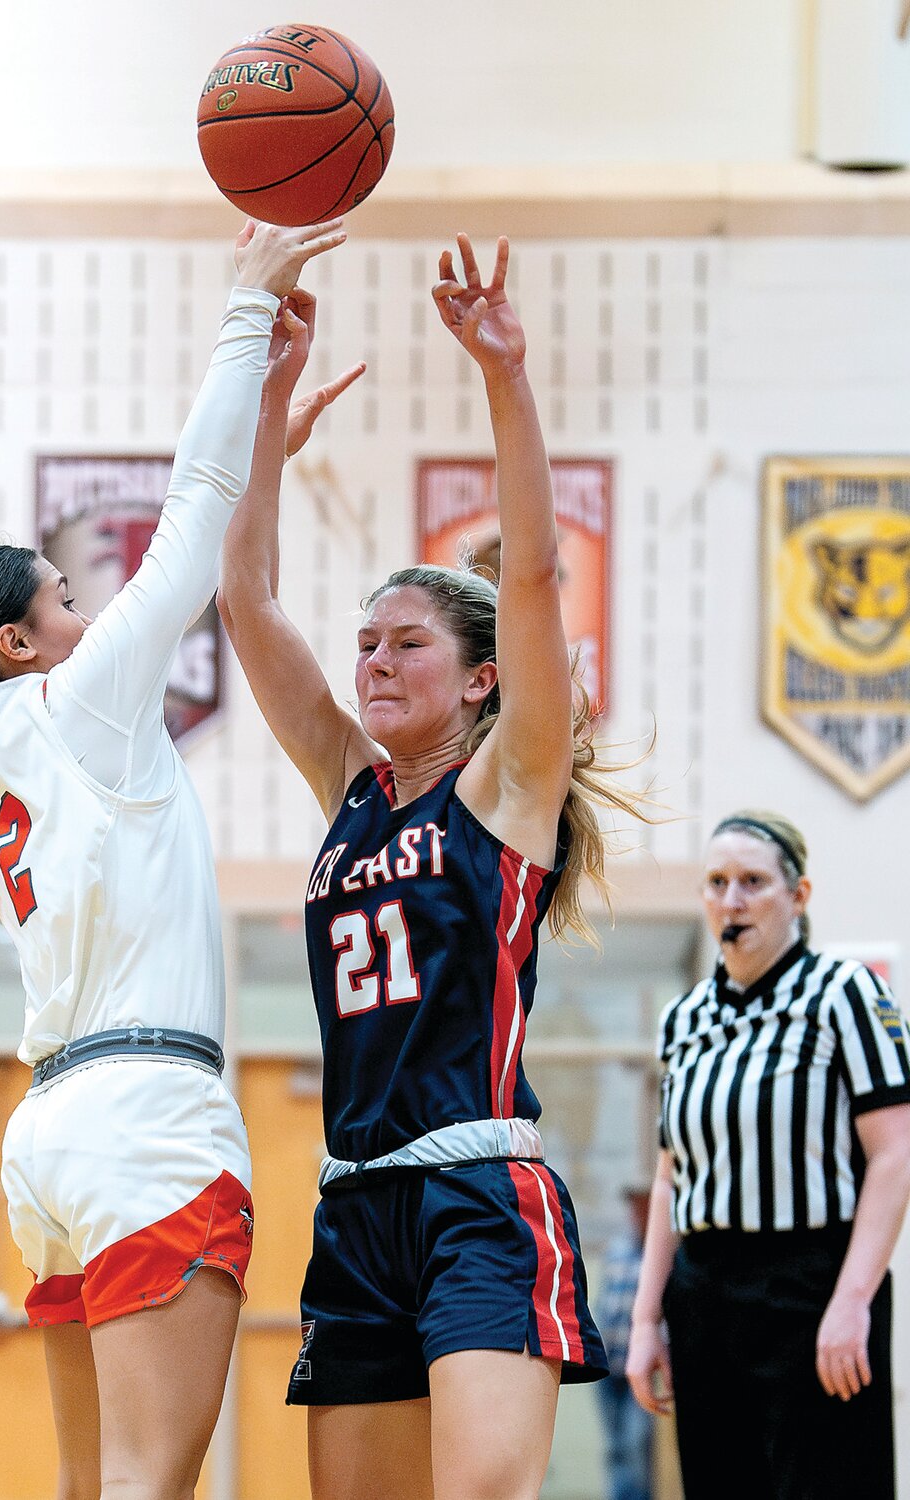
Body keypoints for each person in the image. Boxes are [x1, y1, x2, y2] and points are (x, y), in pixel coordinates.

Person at [0, 218, 347, 1500]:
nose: (92, 613)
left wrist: (262, 446)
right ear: (20, 645)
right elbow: (189, 519)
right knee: (148, 1485)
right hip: (144, 1120)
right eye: (66, 603)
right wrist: (249, 307)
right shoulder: (79, 708)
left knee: (98, 1487)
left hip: (56, 1140)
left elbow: (208, 516)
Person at [219, 235, 652, 1500]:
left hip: (476, 1190)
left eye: (405, 642)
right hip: (355, 1203)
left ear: (478, 678)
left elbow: (529, 570)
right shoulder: (348, 787)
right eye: (364, 644)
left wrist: (502, 377)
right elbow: (247, 599)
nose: (373, 662)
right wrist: (260, 427)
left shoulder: (508, 785)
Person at [626, 811, 910, 1500]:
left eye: (753, 882)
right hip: (705, 1293)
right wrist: (644, 1319)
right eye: (717, 883)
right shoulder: (684, 1018)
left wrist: (852, 1301)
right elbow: (671, 1177)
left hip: (812, 1283)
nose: (732, 899)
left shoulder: (845, 993)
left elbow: (896, 1153)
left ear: (798, 897)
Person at [595, 1189, 653, 1500]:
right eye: (635, 1208)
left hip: (638, 1369)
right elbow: (604, 1303)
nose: (638, 1215)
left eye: (644, 1208)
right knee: (615, 1446)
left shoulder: (658, 1258)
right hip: (609, 1365)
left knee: (636, 1445)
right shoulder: (617, 1249)